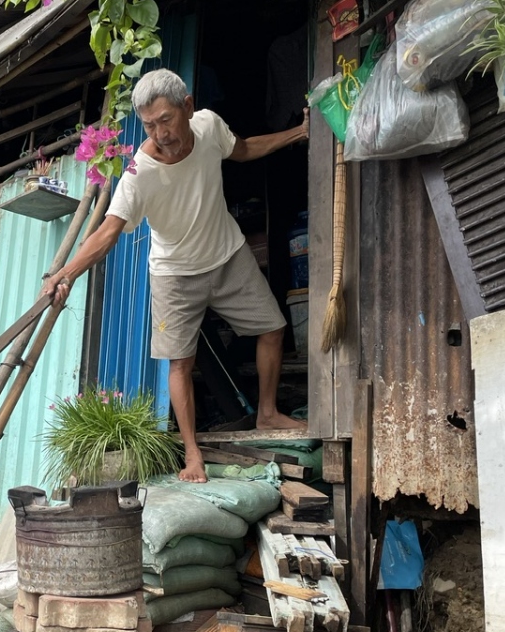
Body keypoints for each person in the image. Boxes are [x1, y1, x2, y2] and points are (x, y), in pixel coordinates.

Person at [43, 68, 309, 483]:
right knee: (180, 364)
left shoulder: (207, 126)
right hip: (173, 275)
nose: (160, 132)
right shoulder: (139, 173)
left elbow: (243, 149)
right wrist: (66, 274)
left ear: (187, 107)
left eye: (166, 119)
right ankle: (192, 455)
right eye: (150, 125)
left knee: (273, 328)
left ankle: (268, 412)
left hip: (227, 254)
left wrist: (297, 133)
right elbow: (109, 231)